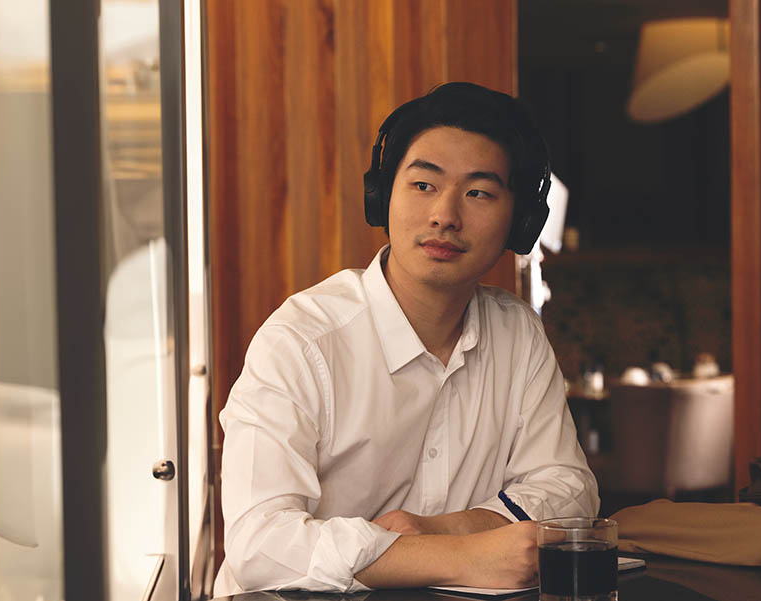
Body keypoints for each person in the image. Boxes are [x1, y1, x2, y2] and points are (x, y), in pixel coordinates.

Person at [214, 82, 599, 595]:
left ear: (521, 222)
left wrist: (446, 530)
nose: (445, 215)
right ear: (382, 196)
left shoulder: (517, 333)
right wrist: (460, 558)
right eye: (423, 185)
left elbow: (570, 491)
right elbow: (261, 543)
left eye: (479, 192)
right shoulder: (302, 340)